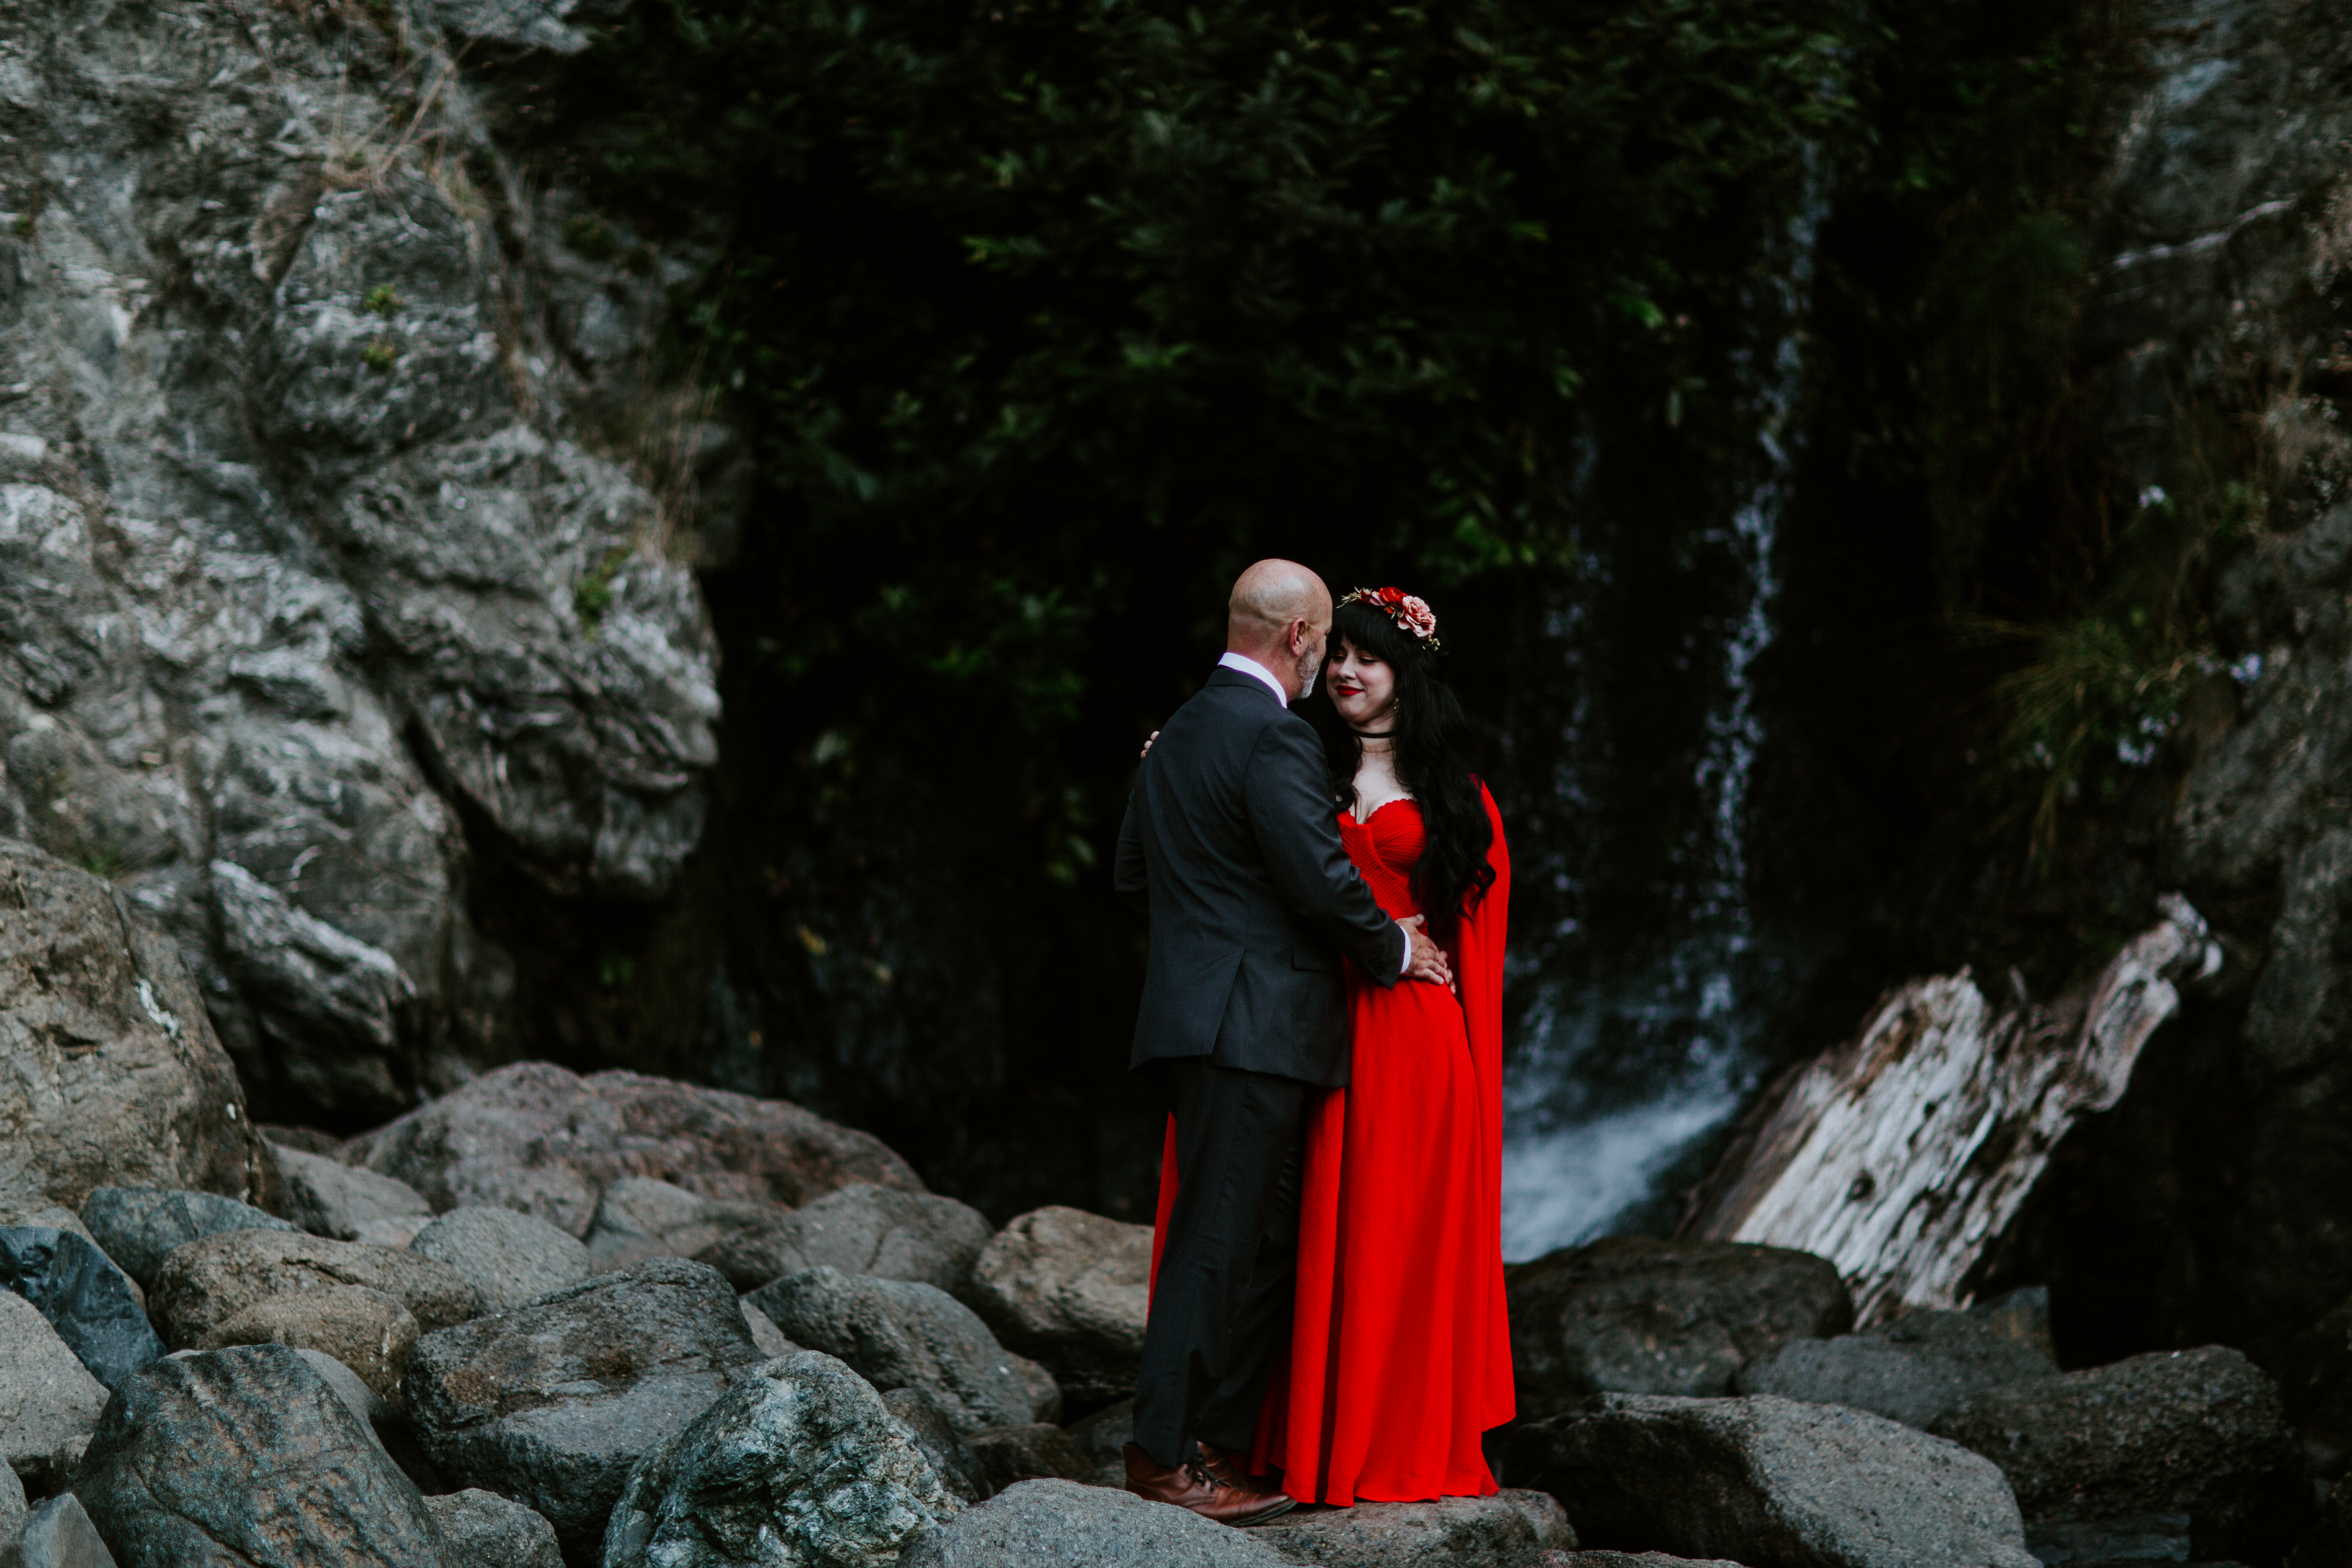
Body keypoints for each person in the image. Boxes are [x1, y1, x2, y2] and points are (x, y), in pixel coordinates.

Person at [1113, 560, 1456, 1526]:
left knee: (1263, 1243)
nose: (1327, 667)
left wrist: (1213, 934)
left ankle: (1219, 1438)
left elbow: (1134, 876)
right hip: (1252, 1027)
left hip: (1199, 1018)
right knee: (1220, 1248)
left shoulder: (1179, 732)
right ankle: (1159, 1462)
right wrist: (1400, 947)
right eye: (1324, 644)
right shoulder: (1274, 737)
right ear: (1300, 637)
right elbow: (1316, 877)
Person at [1248, 583, 1515, 1503]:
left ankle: (1394, 1440)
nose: (1348, 672)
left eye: (1369, 658)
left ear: (1407, 672)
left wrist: (1473, 1060)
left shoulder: (1455, 795)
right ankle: (1306, 1439)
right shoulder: (1294, 758)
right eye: (1339, 655)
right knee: (1315, 1229)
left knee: (1395, 1234)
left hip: (1414, 1035)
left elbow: (1476, 940)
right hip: (1319, 1015)